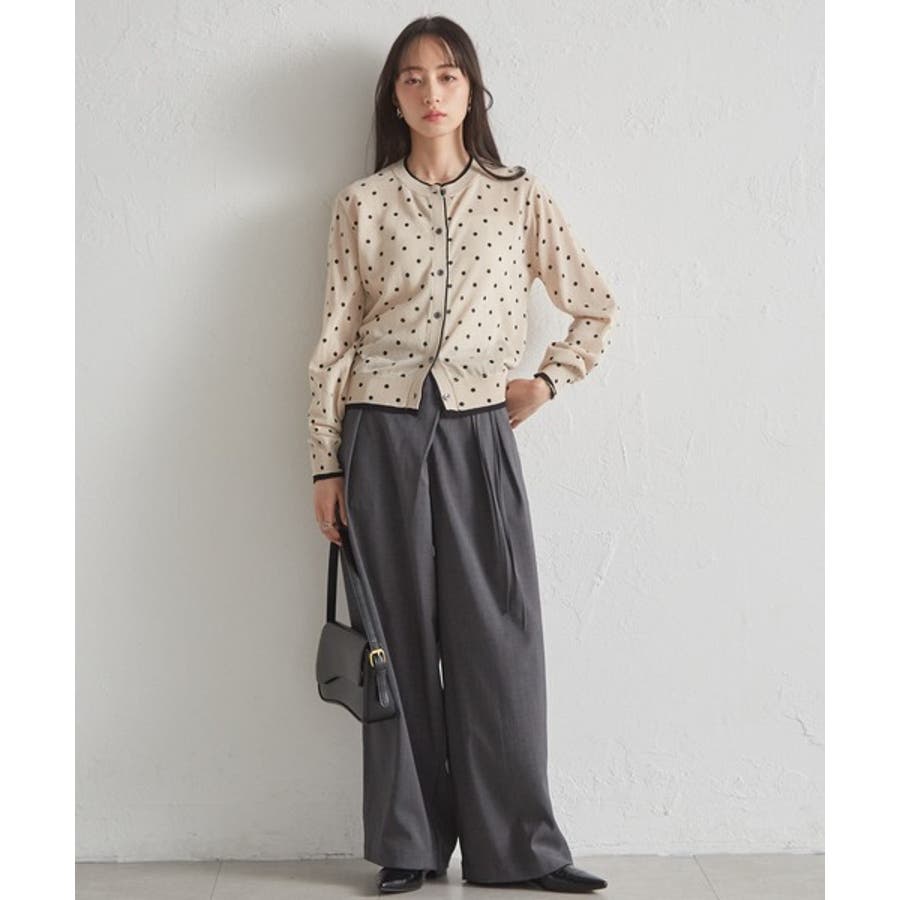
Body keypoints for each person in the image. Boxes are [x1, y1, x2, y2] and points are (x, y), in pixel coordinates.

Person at [308, 15, 617, 895]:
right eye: (412, 78)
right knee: (396, 640)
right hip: (381, 432)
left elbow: (595, 306)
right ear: (393, 97)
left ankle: (520, 849)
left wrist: (547, 381)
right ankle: (409, 845)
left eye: (447, 75)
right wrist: (325, 463)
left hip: (480, 430)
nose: (431, 92)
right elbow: (333, 342)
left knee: (499, 638)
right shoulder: (363, 204)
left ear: (473, 91)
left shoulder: (520, 198)